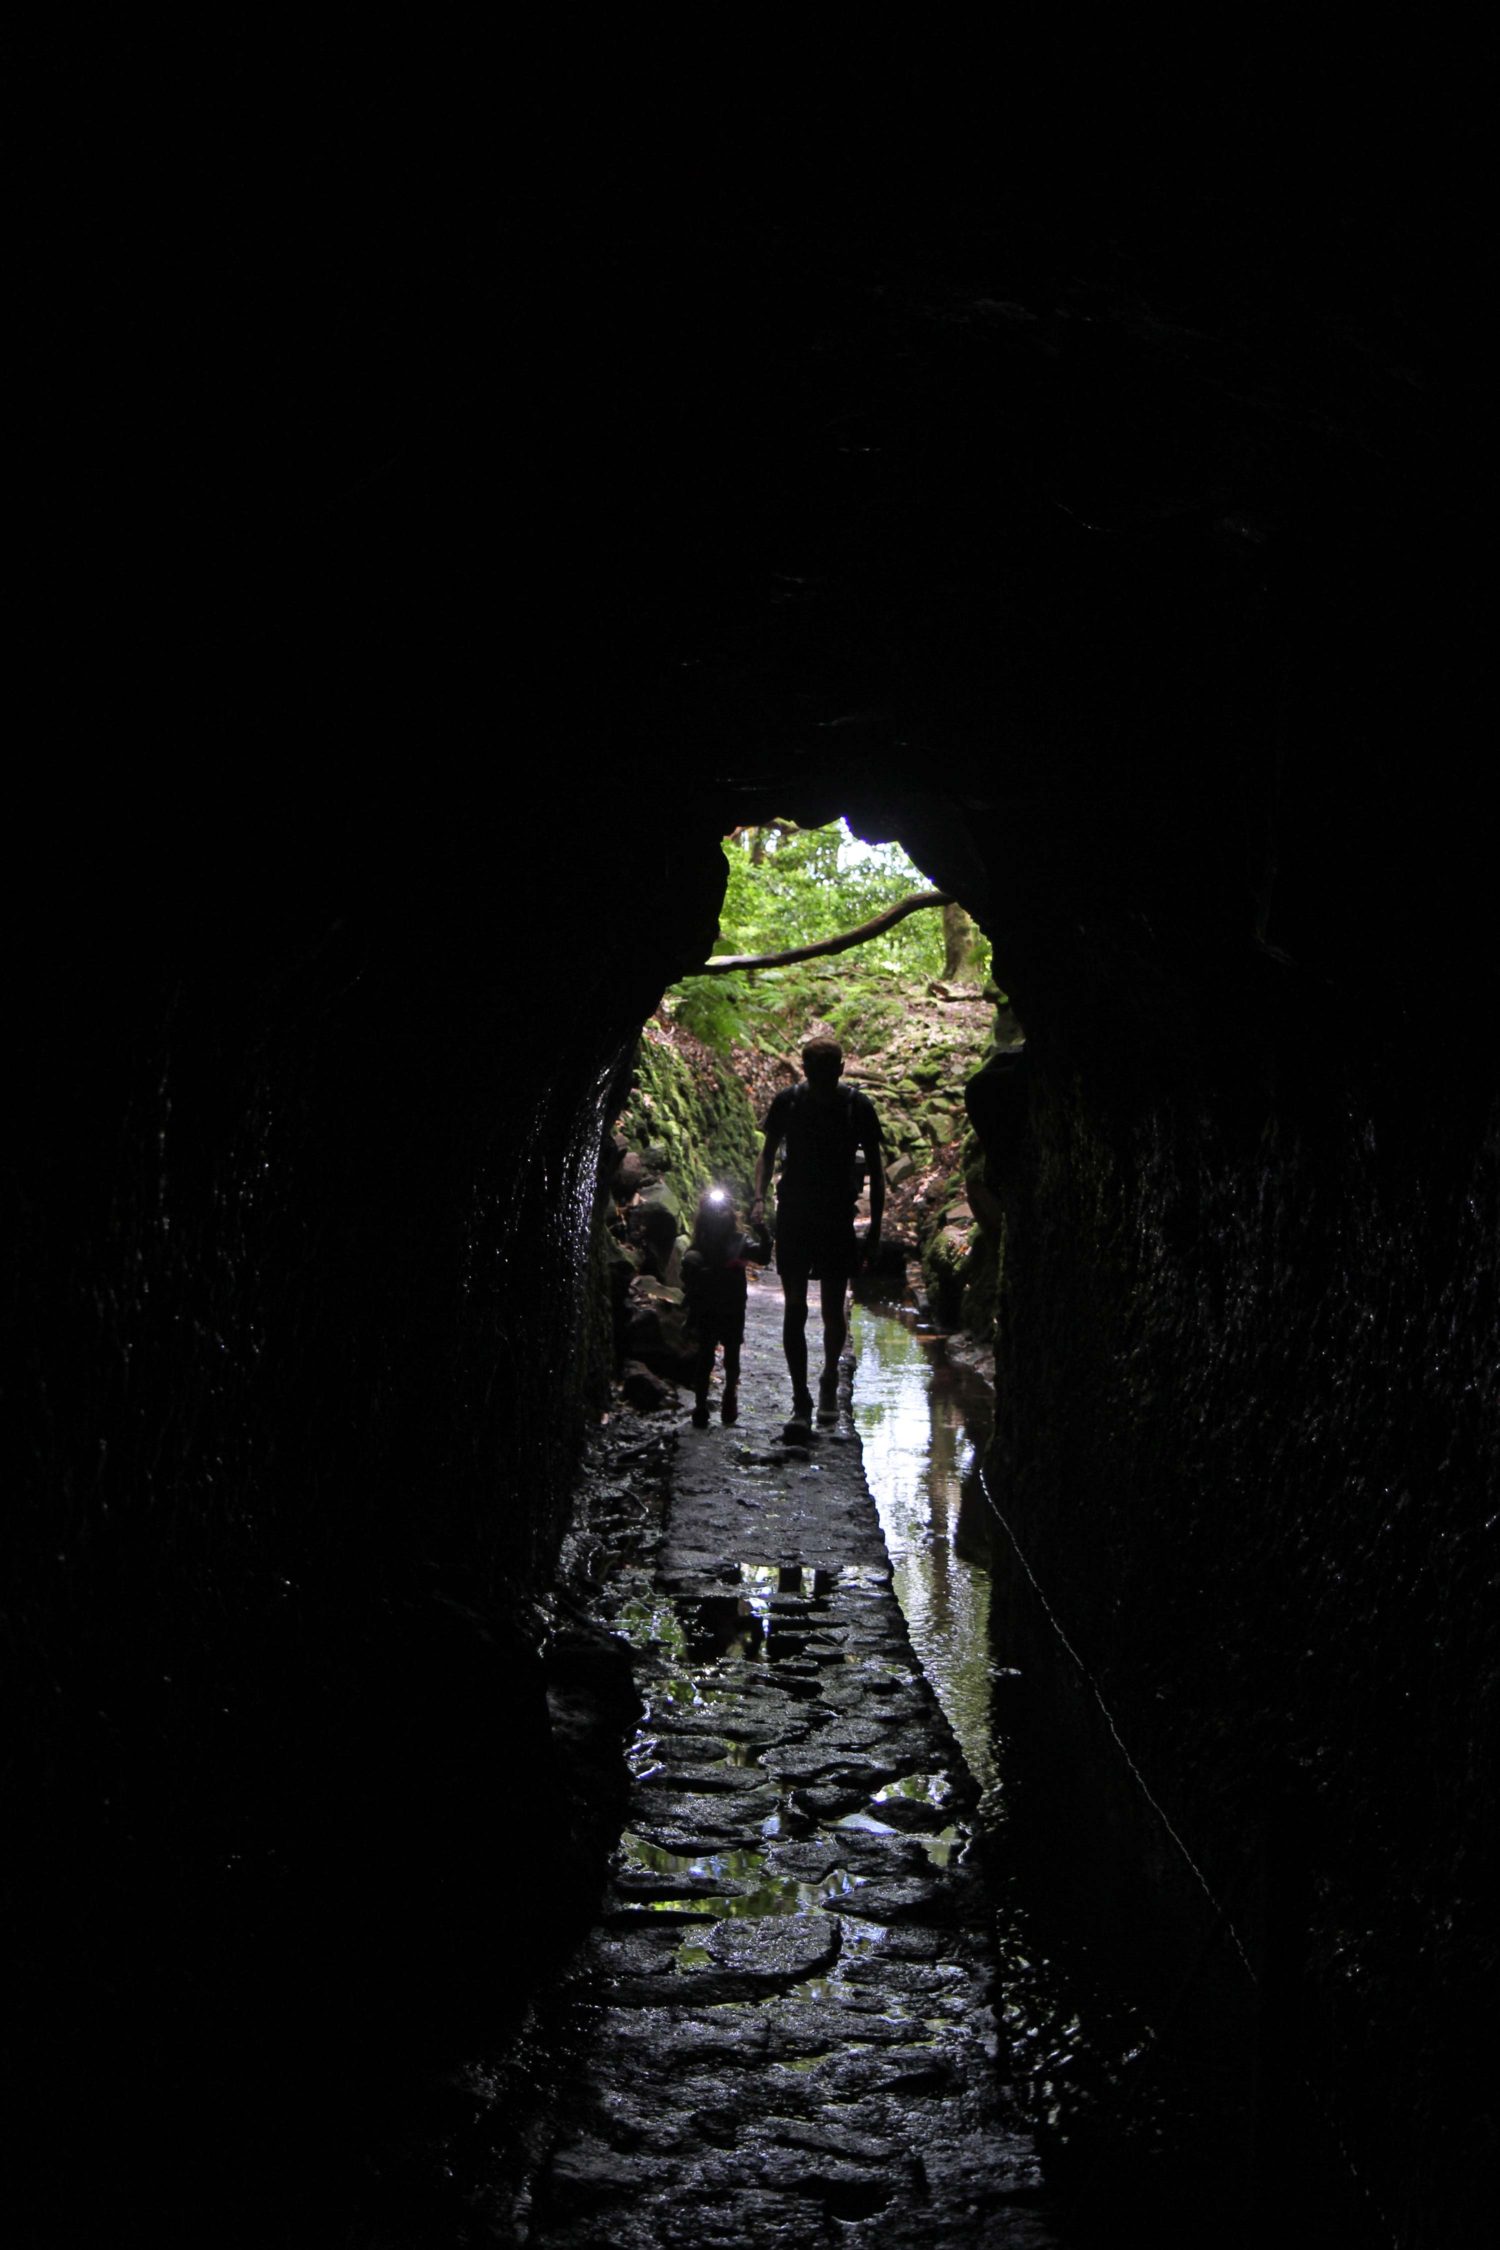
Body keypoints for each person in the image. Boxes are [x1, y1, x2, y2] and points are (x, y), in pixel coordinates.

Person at [751, 1036, 884, 1428]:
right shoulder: (789, 1102)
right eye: (818, 1070)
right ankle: (801, 1399)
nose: (823, 1078)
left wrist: (874, 1232)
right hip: (797, 1214)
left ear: (839, 1069)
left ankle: (826, 1381)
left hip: (832, 1217)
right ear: (807, 1069)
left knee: (829, 1308)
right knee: (796, 1307)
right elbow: (768, 1152)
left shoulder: (856, 1106)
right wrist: (758, 1198)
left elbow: (876, 1172)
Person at [681, 1187, 772, 1427]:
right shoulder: (699, 1245)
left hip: (730, 1306)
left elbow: (762, 1256)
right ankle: (701, 1405)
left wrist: (764, 1233)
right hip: (710, 1307)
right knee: (706, 1357)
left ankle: (728, 1396)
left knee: (729, 1357)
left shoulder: (738, 1242)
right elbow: (688, 1272)